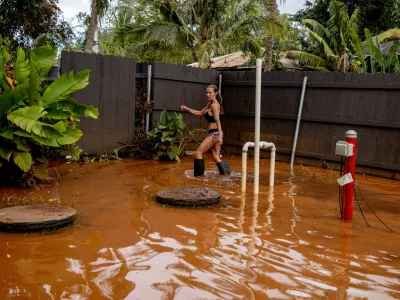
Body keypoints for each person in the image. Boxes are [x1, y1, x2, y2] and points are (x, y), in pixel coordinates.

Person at [181, 85, 230, 176]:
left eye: (210, 92)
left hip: (215, 134)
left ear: (215, 93)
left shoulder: (214, 105)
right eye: (207, 92)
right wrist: (187, 109)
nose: (208, 94)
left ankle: (199, 177)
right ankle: (226, 175)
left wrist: (220, 137)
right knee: (215, 157)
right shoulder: (210, 104)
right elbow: (200, 113)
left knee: (198, 153)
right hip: (216, 134)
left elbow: (217, 121)